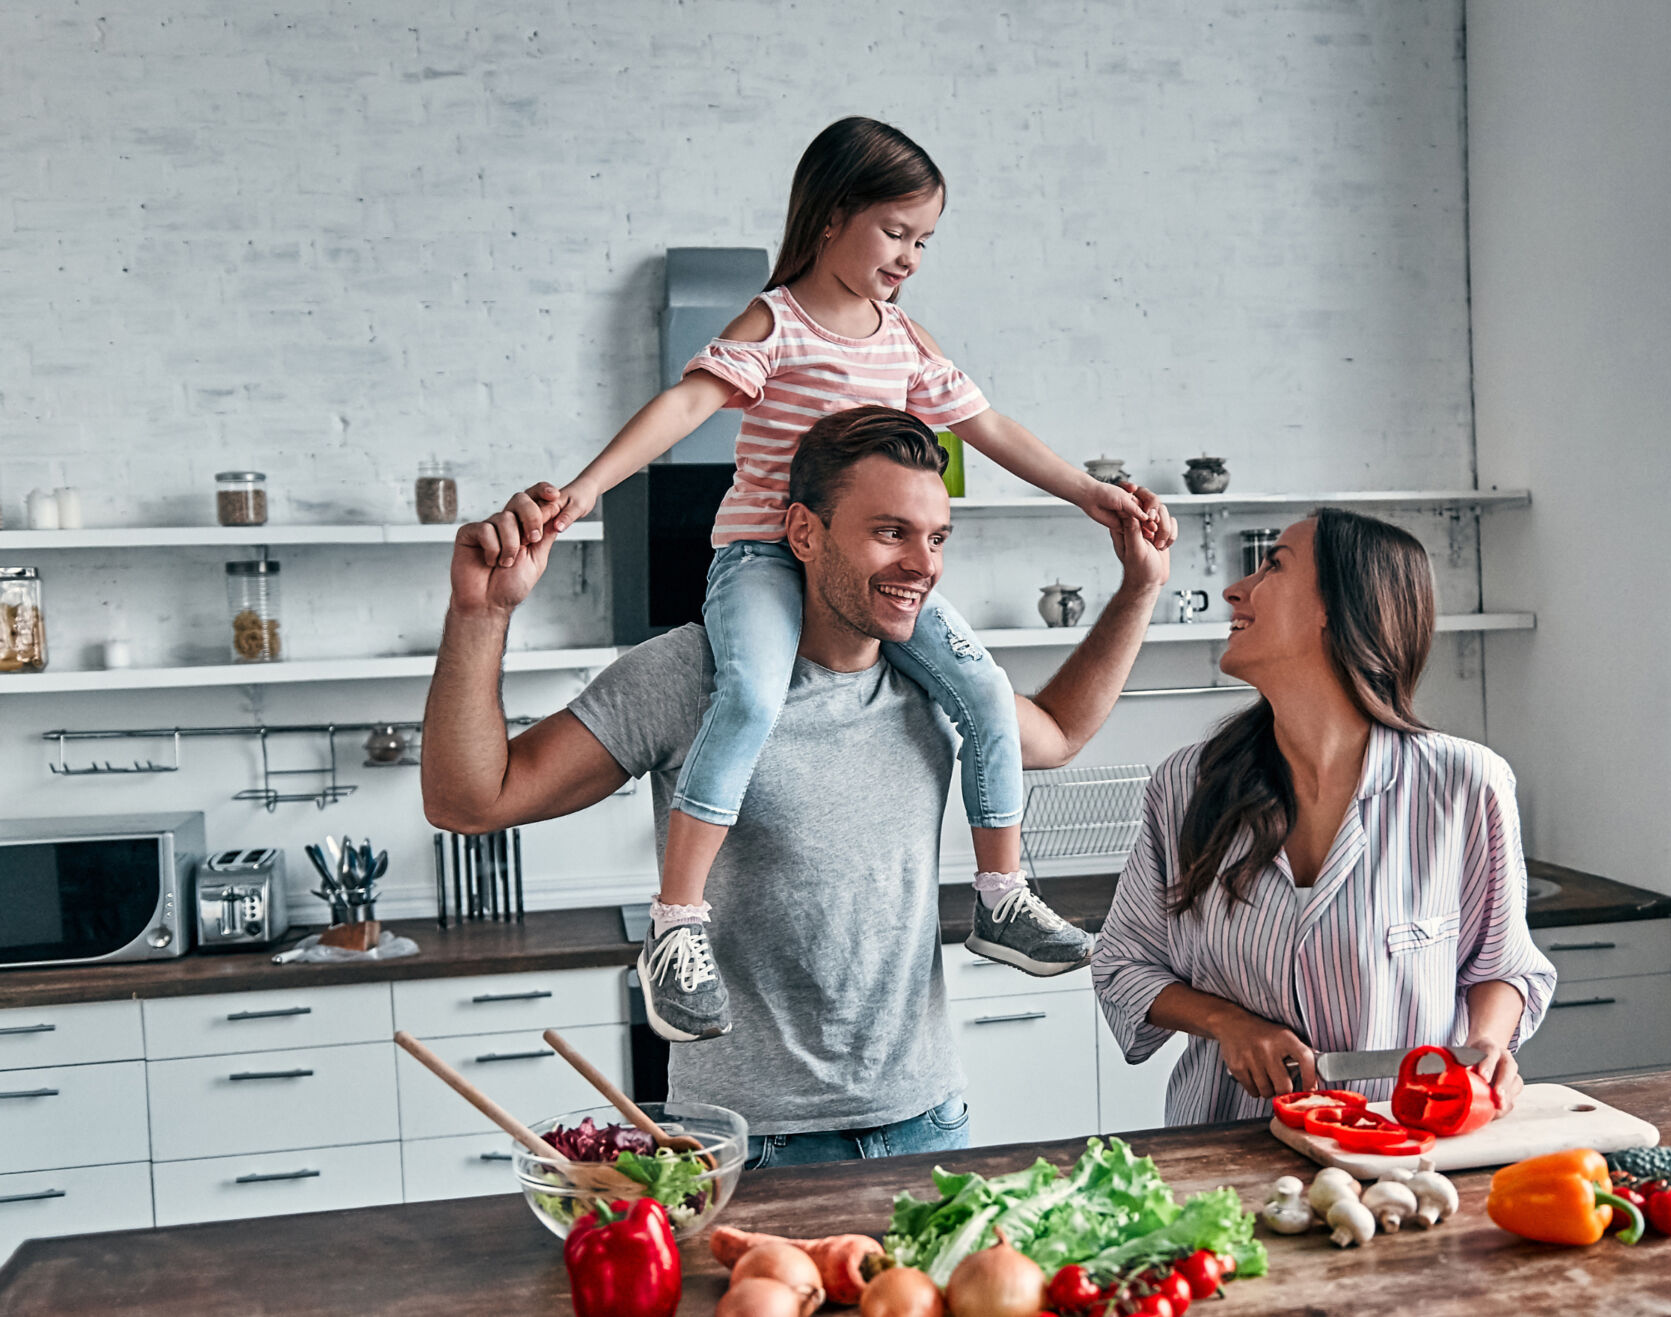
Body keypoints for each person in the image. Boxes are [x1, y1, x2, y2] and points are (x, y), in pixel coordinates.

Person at [515, 116, 1174, 1043]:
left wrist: (1091, 495)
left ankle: (1000, 895)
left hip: (862, 570)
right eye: (896, 231)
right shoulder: (775, 321)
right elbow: (684, 404)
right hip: (761, 559)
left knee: (985, 692)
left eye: (924, 241)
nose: (910, 257)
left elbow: (991, 427)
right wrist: (584, 489)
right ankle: (676, 926)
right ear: (831, 217)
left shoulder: (902, 340)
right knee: (748, 694)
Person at [424, 406, 1176, 1165]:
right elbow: (471, 799)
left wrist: (1140, 588)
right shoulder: (695, 674)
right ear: (805, 534)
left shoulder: (934, 682)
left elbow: (1058, 730)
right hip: (747, 1142)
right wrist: (480, 613)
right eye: (891, 532)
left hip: (925, 1120)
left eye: (937, 537)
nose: (924, 564)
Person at [1091, 509, 1556, 1125]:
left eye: (1273, 566)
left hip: (1403, 1146)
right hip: (1227, 1146)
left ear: (1339, 609)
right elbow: (1123, 962)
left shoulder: (1466, 784)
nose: (1237, 589)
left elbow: (1504, 968)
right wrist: (1227, 1023)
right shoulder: (1186, 785)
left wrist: (1489, 1048)